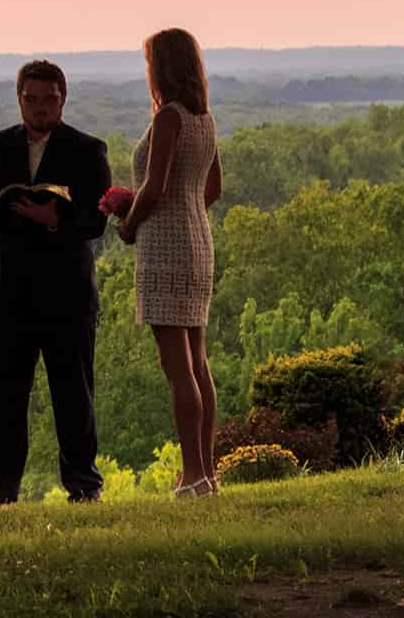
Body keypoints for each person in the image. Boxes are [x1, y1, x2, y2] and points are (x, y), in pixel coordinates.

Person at [0, 58, 112, 505]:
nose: (40, 107)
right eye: (32, 99)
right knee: (4, 400)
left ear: (64, 98)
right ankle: (0, 493)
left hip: (67, 296)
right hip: (6, 293)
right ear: (19, 98)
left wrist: (53, 218)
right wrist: (8, 207)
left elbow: (97, 221)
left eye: (49, 99)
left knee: (74, 397)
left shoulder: (87, 149)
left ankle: (84, 486)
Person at [118, 26, 223, 496]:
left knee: (178, 367)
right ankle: (204, 472)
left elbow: (155, 186)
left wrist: (128, 222)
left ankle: (194, 474)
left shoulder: (169, 120)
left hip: (165, 244)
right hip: (199, 239)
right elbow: (213, 187)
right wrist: (189, 207)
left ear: (160, 67)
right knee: (199, 363)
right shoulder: (205, 119)